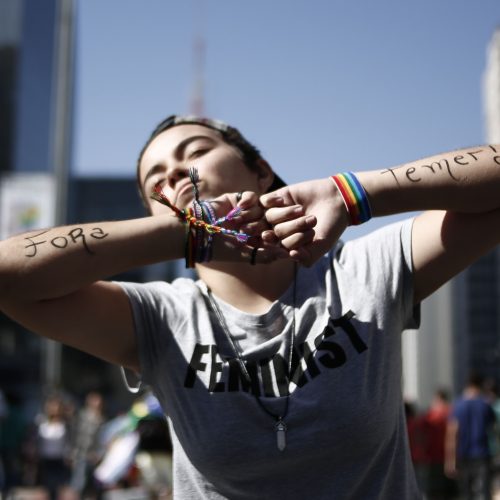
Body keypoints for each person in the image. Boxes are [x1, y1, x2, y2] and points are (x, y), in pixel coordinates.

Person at [0, 114, 500, 499]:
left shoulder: (364, 271)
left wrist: (351, 195)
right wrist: (186, 234)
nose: (173, 174)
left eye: (193, 152)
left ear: (260, 173)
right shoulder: (157, 318)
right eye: (155, 182)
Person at [445, 374, 496, 500]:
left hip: (463, 454)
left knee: (466, 493)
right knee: (484, 492)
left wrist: (450, 461)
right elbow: (493, 429)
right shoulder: (485, 405)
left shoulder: (457, 405)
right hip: (482, 453)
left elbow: (452, 434)